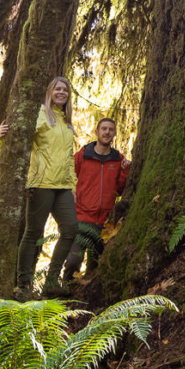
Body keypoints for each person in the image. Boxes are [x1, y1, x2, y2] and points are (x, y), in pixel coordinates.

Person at [0, 76, 78, 299]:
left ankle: (52, 281)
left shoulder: (66, 120)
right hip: (41, 182)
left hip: (63, 186)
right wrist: (0, 134)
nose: (62, 92)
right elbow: (16, 136)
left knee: (70, 229)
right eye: (58, 89)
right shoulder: (41, 114)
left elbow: (69, 157)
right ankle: (24, 284)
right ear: (50, 92)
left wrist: (73, 185)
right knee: (33, 232)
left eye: (65, 90)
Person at [62, 117, 130, 282]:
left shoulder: (118, 159)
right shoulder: (83, 155)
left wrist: (125, 171)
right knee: (72, 262)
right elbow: (66, 176)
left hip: (104, 224)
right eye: (104, 129)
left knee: (96, 269)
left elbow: (120, 190)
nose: (107, 132)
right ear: (97, 132)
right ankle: (63, 295)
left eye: (110, 129)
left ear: (114, 133)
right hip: (80, 220)